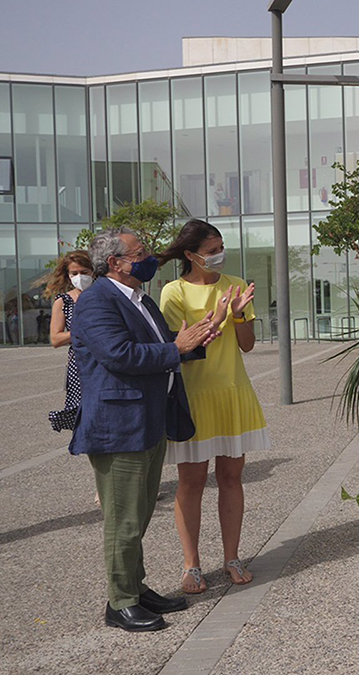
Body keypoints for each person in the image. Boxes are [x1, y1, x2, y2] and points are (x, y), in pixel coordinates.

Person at [71, 227, 217, 632]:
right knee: (124, 520)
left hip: (147, 420)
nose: (149, 256)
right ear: (114, 263)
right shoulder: (96, 302)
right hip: (119, 427)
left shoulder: (140, 299)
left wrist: (198, 337)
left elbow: (164, 342)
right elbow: (119, 354)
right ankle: (120, 603)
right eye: (140, 252)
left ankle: (136, 587)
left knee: (140, 513)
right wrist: (177, 348)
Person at [158, 219, 268, 594]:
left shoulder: (235, 285)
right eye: (210, 251)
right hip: (193, 394)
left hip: (232, 390)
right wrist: (217, 317)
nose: (218, 255)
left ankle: (232, 557)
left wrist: (237, 315)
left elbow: (247, 344)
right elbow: (182, 346)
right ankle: (191, 565)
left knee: (231, 477)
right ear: (190, 255)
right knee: (191, 482)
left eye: (221, 247)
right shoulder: (173, 292)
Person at [43, 250, 95, 433]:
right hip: (79, 363)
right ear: (68, 275)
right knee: (83, 413)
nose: (80, 277)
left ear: (93, 271)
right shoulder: (63, 301)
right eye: (74, 273)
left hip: (107, 358)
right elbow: (56, 338)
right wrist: (82, 333)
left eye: (84, 272)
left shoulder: (104, 294)